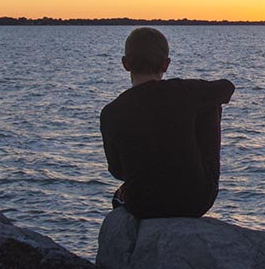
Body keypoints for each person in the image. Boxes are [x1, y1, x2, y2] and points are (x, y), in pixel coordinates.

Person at [101, 27, 235, 219]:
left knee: (205, 101)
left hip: (141, 205)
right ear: (166, 64)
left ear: (125, 63)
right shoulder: (184, 92)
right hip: (195, 201)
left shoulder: (110, 112)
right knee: (210, 104)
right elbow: (227, 88)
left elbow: (117, 170)